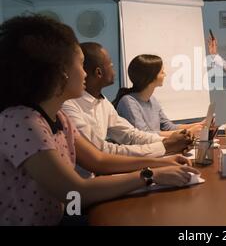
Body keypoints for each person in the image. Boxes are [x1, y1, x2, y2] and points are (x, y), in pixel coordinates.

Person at [0, 15, 199, 225]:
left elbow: (99, 161)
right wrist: (151, 175)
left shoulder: (59, 117)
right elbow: (75, 192)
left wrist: (162, 162)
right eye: (80, 64)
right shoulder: (22, 122)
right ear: (61, 72)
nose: (85, 73)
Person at [62, 43, 192, 159]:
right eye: (111, 65)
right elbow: (101, 151)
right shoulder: (68, 106)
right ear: (98, 72)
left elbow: (131, 135)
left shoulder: (102, 102)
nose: (84, 74)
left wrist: (169, 142)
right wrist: (166, 145)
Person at [112, 54, 204, 137]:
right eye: (162, 72)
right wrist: (188, 132)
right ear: (151, 77)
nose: (165, 75)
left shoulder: (152, 99)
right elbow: (144, 135)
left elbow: (168, 126)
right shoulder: (128, 102)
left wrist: (199, 125)